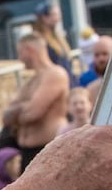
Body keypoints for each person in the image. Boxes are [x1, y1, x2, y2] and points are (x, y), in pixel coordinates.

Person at [4, 33, 71, 169]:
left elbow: (33, 113)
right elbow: (5, 116)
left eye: (20, 52)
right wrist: (23, 108)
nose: (19, 58)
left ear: (29, 50)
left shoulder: (55, 74)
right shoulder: (31, 82)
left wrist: (19, 111)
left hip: (47, 150)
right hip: (27, 153)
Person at [30, 0, 79, 79]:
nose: (58, 18)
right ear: (44, 17)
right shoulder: (40, 40)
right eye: (54, 14)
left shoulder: (58, 38)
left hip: (68, 79)